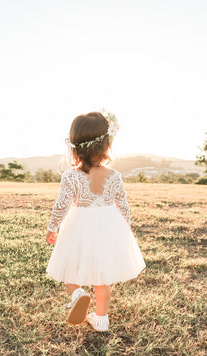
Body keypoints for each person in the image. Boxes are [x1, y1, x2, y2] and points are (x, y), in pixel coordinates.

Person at [45, 111, 146, 332]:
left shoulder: (71, 176)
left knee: (69, 264)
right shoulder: (115, 175)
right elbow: (124, 207)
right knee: (103, 275)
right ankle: (101, 318)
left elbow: (61, 206)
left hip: (78, 223)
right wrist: (124, 231)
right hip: (109, 225)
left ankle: (78, 293)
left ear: (74, 147)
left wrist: (52, 228)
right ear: (107, 146)